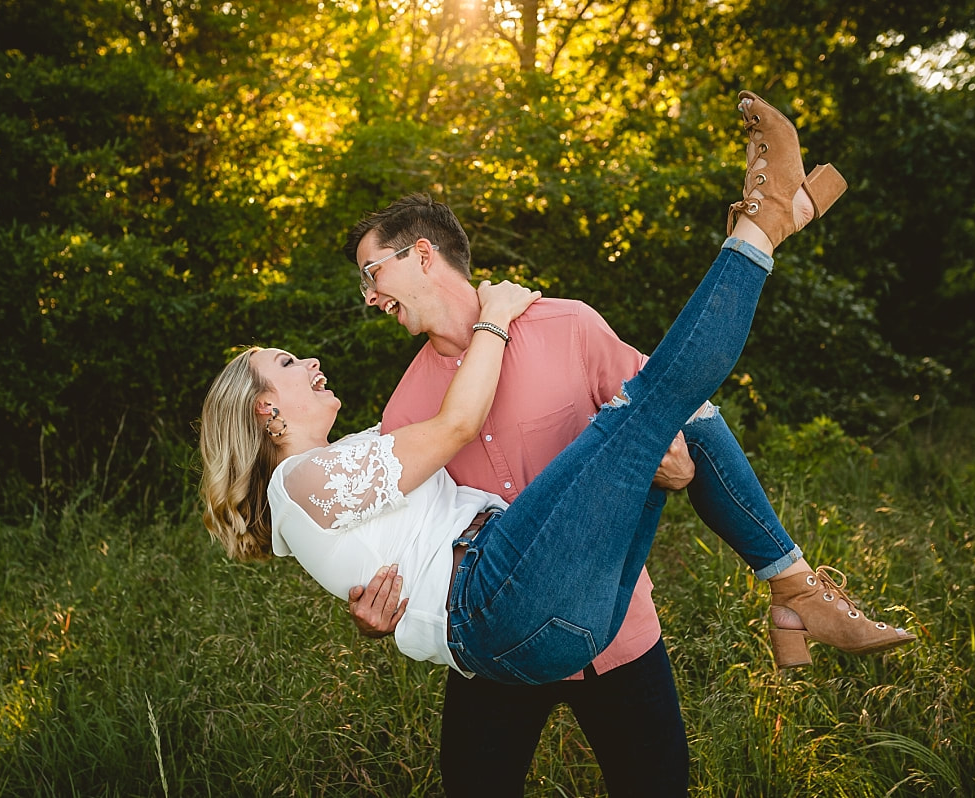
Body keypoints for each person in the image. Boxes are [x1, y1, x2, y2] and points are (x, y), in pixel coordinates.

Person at [198, 92, 916, 792]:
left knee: (679, 405)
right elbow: (382, 532)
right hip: (493, 627)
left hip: (612, 617)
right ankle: (767, 225)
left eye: (371, 271)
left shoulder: (566, 324)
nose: (367, 295)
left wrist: (673, 467)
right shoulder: (404, 408)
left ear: (422, 256)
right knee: (662, 396)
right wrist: (374, 614)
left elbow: (677, 431)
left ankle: (793, 586)